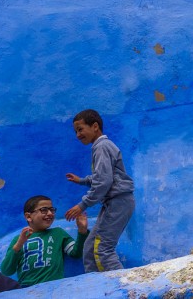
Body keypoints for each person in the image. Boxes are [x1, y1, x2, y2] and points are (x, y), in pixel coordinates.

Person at [64, 109, 135, 273]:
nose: (77, 135)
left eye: (80, 129)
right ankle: (94, 286)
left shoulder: (101, 146)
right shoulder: (100, 147)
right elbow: (102, 176)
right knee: (89, 247)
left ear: (95, 126)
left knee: (102, 249)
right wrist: (81, 180)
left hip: (119, 202)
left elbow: (104, 181)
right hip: (114, 202)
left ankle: (121, 287)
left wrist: (82, 205)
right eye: (75, 131)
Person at [0, 195, 88, 287]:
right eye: (44, 210)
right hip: (26, 290)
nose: (50, 213)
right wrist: (18, 245)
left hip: (54, 287)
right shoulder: (18, 239)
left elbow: (76, 253)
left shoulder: (58, 233)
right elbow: (6, 271)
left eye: (52, 210)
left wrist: (82, 231)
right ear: (28, 216)